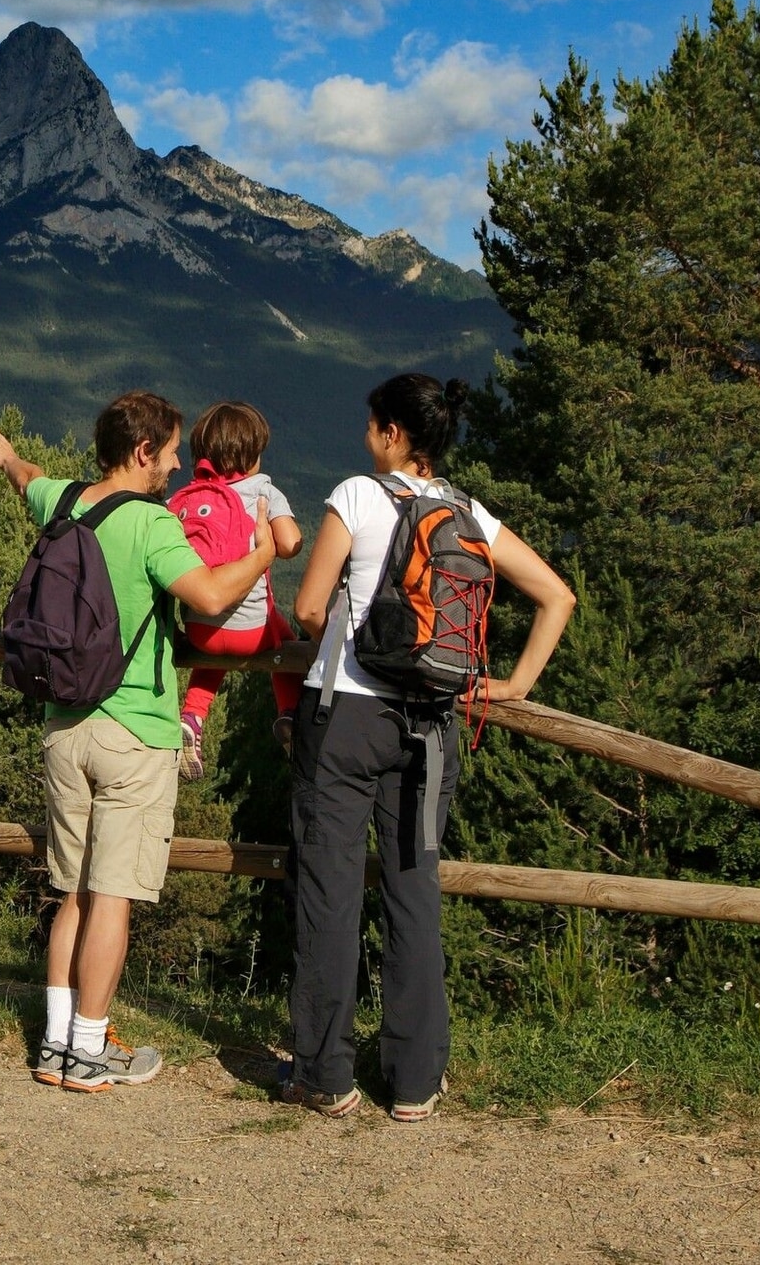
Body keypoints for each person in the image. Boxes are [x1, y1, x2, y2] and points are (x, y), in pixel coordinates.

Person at [285, 372, 576, 1121]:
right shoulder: (469, 512)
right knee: (414, 893)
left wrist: (341, 650)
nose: (366, 436)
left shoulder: (357, 494)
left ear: (391, 434)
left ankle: (326, 1074)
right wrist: (512, 686)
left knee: (331, 890)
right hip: (432, 726)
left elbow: (310, 606)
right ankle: (414, 1082)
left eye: (370, 424)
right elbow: (558, 596)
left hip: (347, 719)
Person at [0, 392, 276, 1092]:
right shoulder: (151, 525)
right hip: (134, 733)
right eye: (171, 451)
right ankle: (89, 1050)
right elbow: (208, 598)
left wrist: (5, 456)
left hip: (63, 728)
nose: (179, 465)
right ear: (142, 451)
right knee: (112, 894)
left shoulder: (63, 501)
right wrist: (264, 551)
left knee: (74, 891)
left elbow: (28, 477)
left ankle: (55, 1046)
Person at [170, 400, 306, 780]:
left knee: (215, 647)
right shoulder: (264, 489)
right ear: (252, 456)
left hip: (199, 630)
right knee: (285, 638)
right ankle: (290, 716)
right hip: (251, 633)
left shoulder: (188, 498)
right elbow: (290, 543)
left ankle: (193, 716)